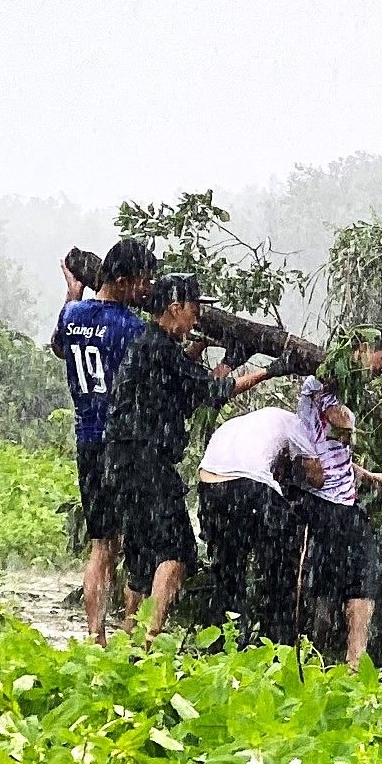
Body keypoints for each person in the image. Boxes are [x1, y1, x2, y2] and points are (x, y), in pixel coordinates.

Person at [102, 273, 273, 641]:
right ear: (175, 307)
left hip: (122, 459)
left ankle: (129, 635)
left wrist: (228, 361)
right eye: (194, 309)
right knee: (176, 549)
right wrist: (272, 370)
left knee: (140, 553)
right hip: (148, 459)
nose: (197, 319)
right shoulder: (159, 348)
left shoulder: (150, 345)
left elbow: (192, 388)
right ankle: (150, 639)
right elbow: (213, 391)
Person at [53, 237, 158, 641]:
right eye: (143, 281)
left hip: (87, 441)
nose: (145, 290)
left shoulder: (73, 315)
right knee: (137, 540)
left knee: (102, 544)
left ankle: (95, 634)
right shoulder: (132, 329)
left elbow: (60, 348)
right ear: (125, 279)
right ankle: (131, 632)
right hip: (123, 444)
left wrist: (70, 296)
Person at [295, 338, 382, 667]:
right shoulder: (321, 383)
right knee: (337, 575)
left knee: (356, 573)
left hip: (343, 498)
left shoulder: (341, 388)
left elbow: (335, 451)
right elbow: (338, 424)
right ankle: (318, 652)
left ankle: (350, 658)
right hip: (321, 497)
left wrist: (369, 475)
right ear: (364, 348)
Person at [196, 405, 325, 646]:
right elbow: (317, 477)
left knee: (228, 571)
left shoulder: (240, 422)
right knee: (280, 570)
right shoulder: (293, 422)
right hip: (250, 486)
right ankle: (279, 644)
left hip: (209, 487)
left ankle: (223, 644)